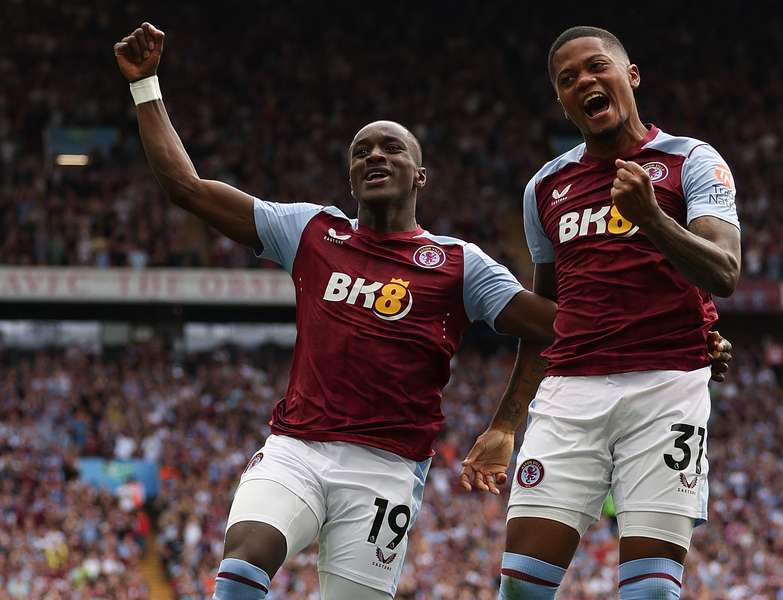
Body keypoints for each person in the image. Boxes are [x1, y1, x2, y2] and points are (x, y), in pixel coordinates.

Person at [114, 22, 732, 599]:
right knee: (243, 567)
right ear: (350, 176)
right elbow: (187, 189)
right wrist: (145, 84)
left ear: (421, 176)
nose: (374, 157)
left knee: (643, 584)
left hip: (387, 470)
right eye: (361, 152)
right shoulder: (310, 232)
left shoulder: (460, 265)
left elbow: (555, 317)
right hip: (299, 447)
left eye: (390, 149)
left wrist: (685, 329)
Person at [460, 26, 741, 600]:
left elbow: (726, 272)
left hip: (667, 387)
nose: (584, 81)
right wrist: (506, 422)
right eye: (567, 79)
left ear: (630, 75)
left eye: (596, 67)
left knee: (651, 593)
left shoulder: (690, 160)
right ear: (561, 100)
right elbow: (548, 316)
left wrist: (653, 218)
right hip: (570, 396)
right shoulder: (546, 186)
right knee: (520, 590)